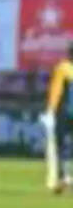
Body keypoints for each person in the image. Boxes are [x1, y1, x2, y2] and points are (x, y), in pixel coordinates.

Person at [39, 42, 73, 194]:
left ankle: (64, 176)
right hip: (65, 112)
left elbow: (56, 91)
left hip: (64, 113)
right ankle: (64, 177)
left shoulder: (63, 68)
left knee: (60, 145)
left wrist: (50, 111)